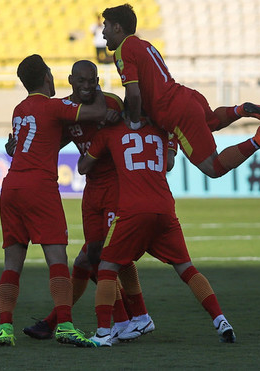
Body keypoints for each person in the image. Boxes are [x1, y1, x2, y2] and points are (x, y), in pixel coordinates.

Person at [18, 60, 153, 343]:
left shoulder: (114, 103)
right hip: (92, 190)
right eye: (82, 81)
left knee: (103, 254)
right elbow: (48, 142)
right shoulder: (67, 112)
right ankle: (130, 317)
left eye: (92, 80)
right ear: (71, 81)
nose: (87, 85)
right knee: (89, 259)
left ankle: (127, 318)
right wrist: (17, 147)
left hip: (119, 186)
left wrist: (168, 149)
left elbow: (146, 124)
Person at [78, 115, 236, 347]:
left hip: (133, 211)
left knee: (106, 267)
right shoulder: (164, 129)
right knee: (187, 268)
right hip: (164, 209)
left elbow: (83, 167)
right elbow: (169, 163)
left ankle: (103, 333)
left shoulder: (109, 132)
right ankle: (220, 320)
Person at [101, 3, 260, 181]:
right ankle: (241, 110)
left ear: (118, 27)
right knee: (212, 121)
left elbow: (133, 93)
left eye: (106, 26)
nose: (103, 33)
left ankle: (258, 140)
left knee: (214, 168)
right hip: (186, 97)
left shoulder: (123, 49)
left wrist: (133, 123)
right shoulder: (145, 45)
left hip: (175, 112)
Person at [0, 54, 107, 348]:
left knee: (12, 262)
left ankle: (5, 328)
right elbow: (97, 111)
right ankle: (66, 326)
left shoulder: (19, 109)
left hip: (11, 186)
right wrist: (95, 90)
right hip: (38, 186)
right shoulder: (55, 107)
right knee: (57, 259)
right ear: (47, 76)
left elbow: (26, 142)